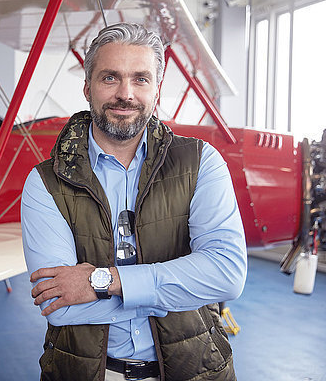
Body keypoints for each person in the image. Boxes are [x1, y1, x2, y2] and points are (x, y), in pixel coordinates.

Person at [21, 23, 247, 381]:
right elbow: (59, 307)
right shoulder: (45, 182)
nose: (125, 94)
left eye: (141, 79)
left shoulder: (202, 161)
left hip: (195, 370)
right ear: (87, 88)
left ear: (157, 89)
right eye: (110, 78)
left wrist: (101, 281)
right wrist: (179, 287)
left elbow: (227, 275)